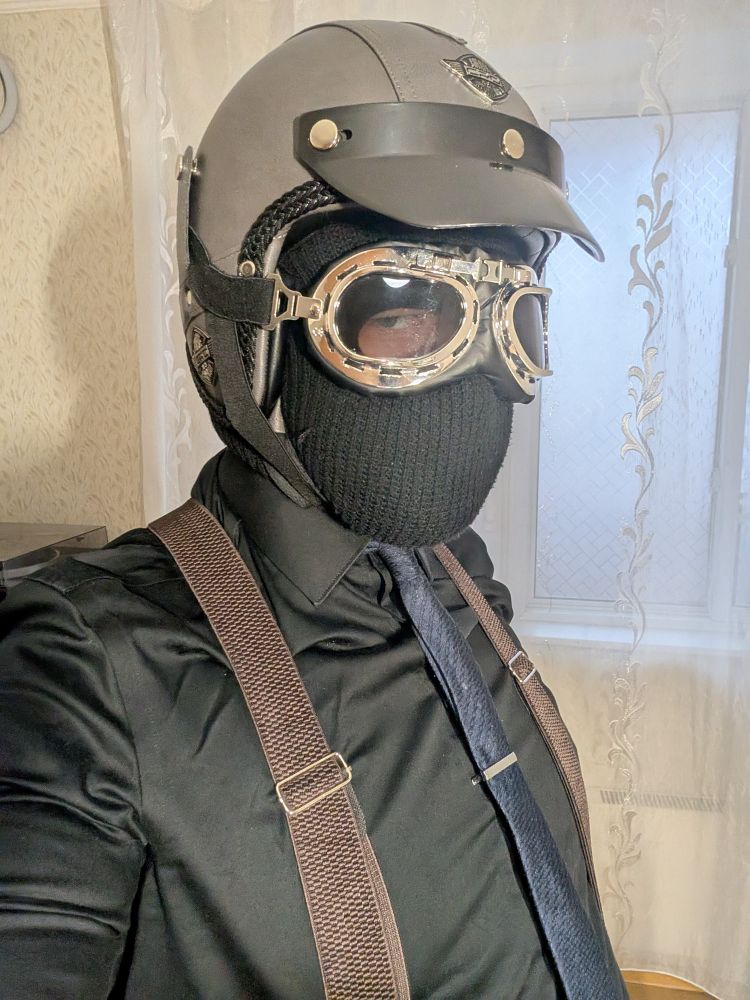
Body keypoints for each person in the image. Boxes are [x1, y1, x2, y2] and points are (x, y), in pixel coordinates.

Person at [0, 19, 628, 1000]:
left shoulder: (456, 570)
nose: (469, 374)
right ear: (249, 324)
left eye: (509, 311)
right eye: (401, 308)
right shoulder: (90, 667)